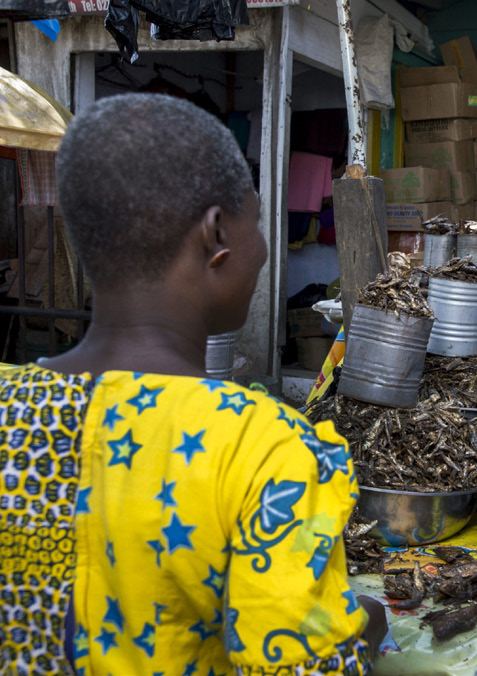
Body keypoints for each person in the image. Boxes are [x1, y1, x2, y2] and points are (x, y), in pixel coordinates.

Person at [0, 94, 386, 675]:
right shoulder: (264, 448)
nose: (261, 249)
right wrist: (365, 626)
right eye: (256, 223)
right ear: (215, 235)